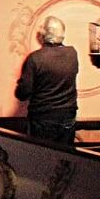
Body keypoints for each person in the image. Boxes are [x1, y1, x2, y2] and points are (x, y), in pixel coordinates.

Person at [17, 15, 79, 144]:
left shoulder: (35, 58)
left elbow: (23, 93)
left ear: (44, 35)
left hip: (42, 118)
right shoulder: (72, 54)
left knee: (42, 157)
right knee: (65, 159)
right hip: (68, 116)